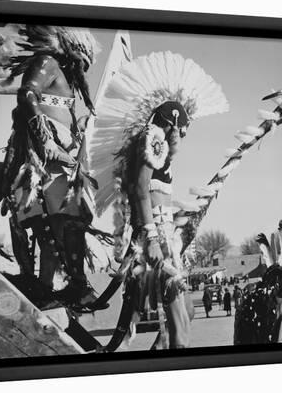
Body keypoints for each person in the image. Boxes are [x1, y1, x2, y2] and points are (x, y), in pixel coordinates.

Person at [89, 51, 229, 349]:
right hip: (154, 241)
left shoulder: (156, 143)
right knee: (179, 318)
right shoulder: (152, 138)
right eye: (180, 128)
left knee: (187, 312)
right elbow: (140, 190)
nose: (182, 135)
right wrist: (152, 238)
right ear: (171, 123)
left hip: (165, 238)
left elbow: (152, 193)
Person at [0, 25, 103, 310]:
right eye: (84, 59)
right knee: (50, 227)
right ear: (71, 48)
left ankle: (63, 288)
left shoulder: (65, 78)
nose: (86, 67)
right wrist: (45, 139)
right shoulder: (47, 63)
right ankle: (47, 287)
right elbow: (27, 93)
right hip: (41, 162)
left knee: (68, 225)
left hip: (62, 162)